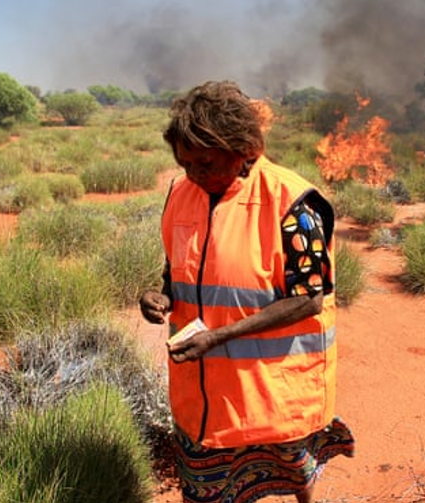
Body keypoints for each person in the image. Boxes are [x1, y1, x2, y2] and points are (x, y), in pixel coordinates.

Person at [139, 81, 354, 503]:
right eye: (185, 163)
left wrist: (219, 336)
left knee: (298, 482)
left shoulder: (293, 203)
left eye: (207, 163)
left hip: (274, 391)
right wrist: (161, 296)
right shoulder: (181, 194)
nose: (195, 175)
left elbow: (309, 298)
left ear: (245, 151)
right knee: (204, 489)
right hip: (203, 396)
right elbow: (178, 269)